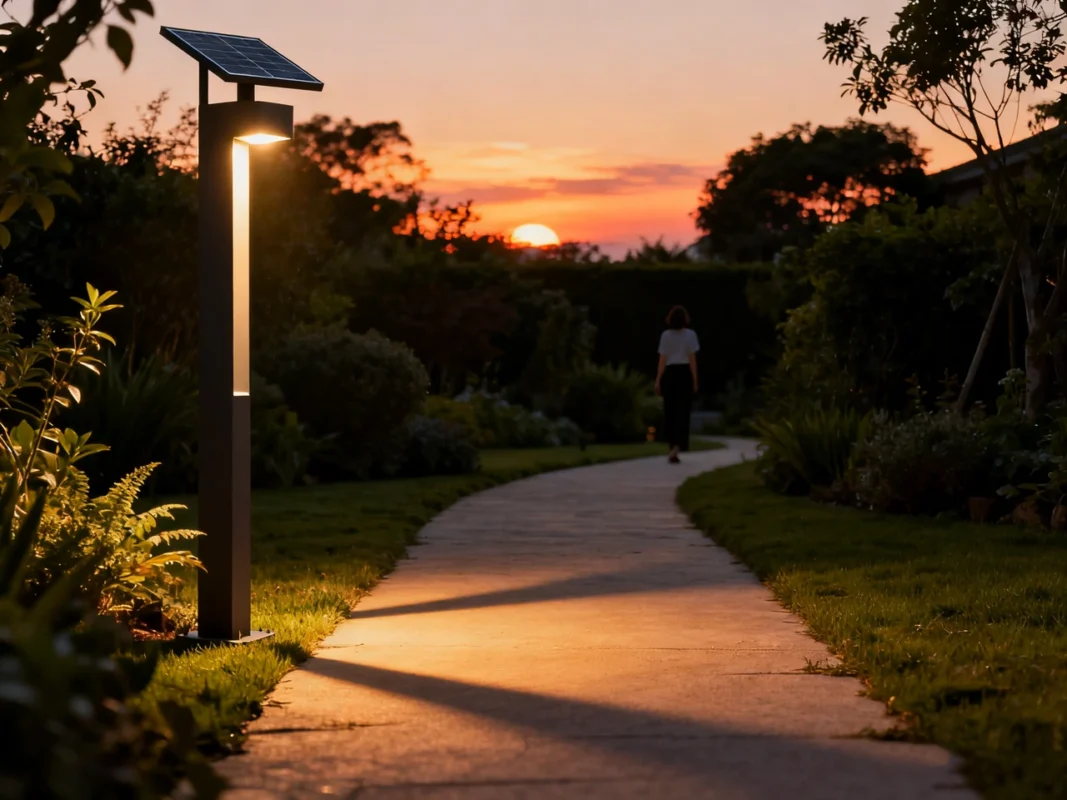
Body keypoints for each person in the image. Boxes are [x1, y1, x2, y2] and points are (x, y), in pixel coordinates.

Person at [655, 305, 699, 464]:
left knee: (670, 411)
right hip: (684, 373)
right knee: (682, 412)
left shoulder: (666, 336)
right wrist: (695, 380)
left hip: (670, 373)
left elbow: (663, 359)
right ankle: (678, 445)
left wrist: (658, 379)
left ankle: (672, 444)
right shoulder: (690, 335)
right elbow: (692, 359)